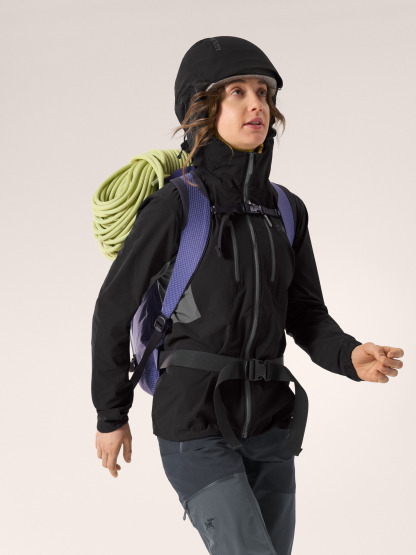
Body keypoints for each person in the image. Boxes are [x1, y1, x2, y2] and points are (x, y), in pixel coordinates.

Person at [92, 36, 404, 555]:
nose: (256, 104)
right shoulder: (176, 206)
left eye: (263, 92)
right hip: (194, 422)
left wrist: (349, 355)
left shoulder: (286, 209)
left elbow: (305, 312)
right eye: (236, 92)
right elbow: (112, 309)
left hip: (269, 422)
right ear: (202, 111)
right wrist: (111, 414)